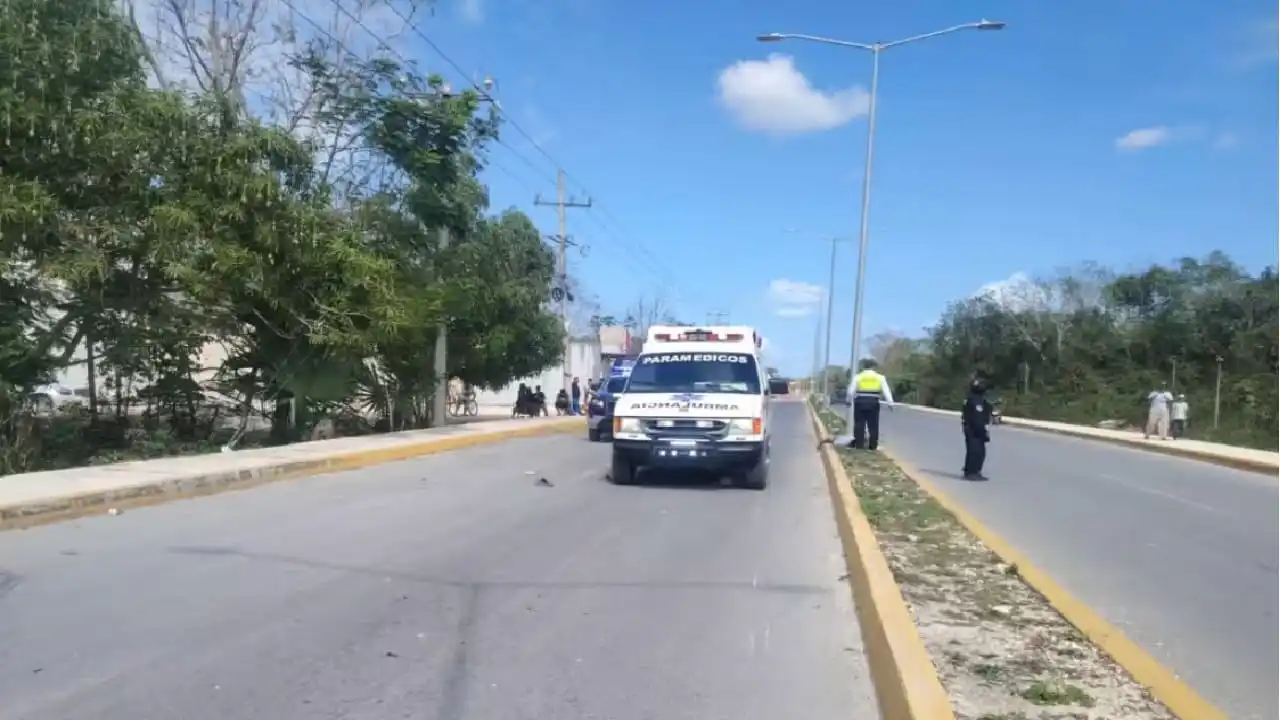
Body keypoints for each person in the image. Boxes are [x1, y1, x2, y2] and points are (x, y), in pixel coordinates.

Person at [848, 358, 894, 450]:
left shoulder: (858, 376)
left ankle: (859, 445)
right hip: (873, 402)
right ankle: (873, 446)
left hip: (860, 401)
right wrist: (890, 403)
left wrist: (848, 401)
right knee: (873, 425)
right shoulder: (880, 377)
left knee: (859, 424)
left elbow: (850, 391)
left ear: (864, 367)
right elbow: (886, 391)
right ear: (874, 367)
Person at [961, 370, 993, 481]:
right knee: (975, 451)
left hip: (972, 429)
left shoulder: (976, 400)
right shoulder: (975, 401)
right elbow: (977, 419)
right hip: (974, 430)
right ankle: (971, 472)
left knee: (978, 452)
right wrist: (983, 432)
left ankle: (974, 471)